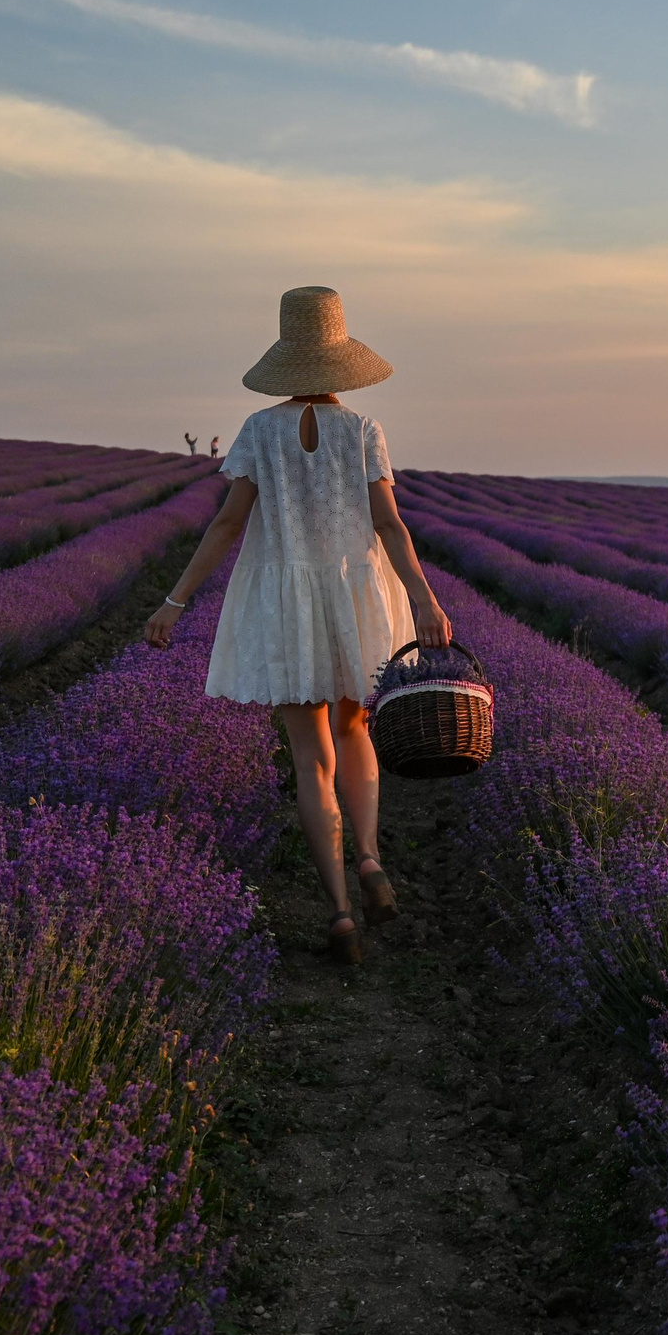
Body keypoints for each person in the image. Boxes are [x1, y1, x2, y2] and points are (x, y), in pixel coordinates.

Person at [146, 286, 451, 965]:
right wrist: (426, 601)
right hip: (357, 594)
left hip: (285, 598)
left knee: (311, 757)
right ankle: (370, 857)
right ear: (342, 359)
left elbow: (227, 523)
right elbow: (389, 525)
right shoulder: (363, 430)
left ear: (286, 358)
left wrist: (174, 600)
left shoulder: (259, 431)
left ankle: (341, 912)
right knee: (355, 728)